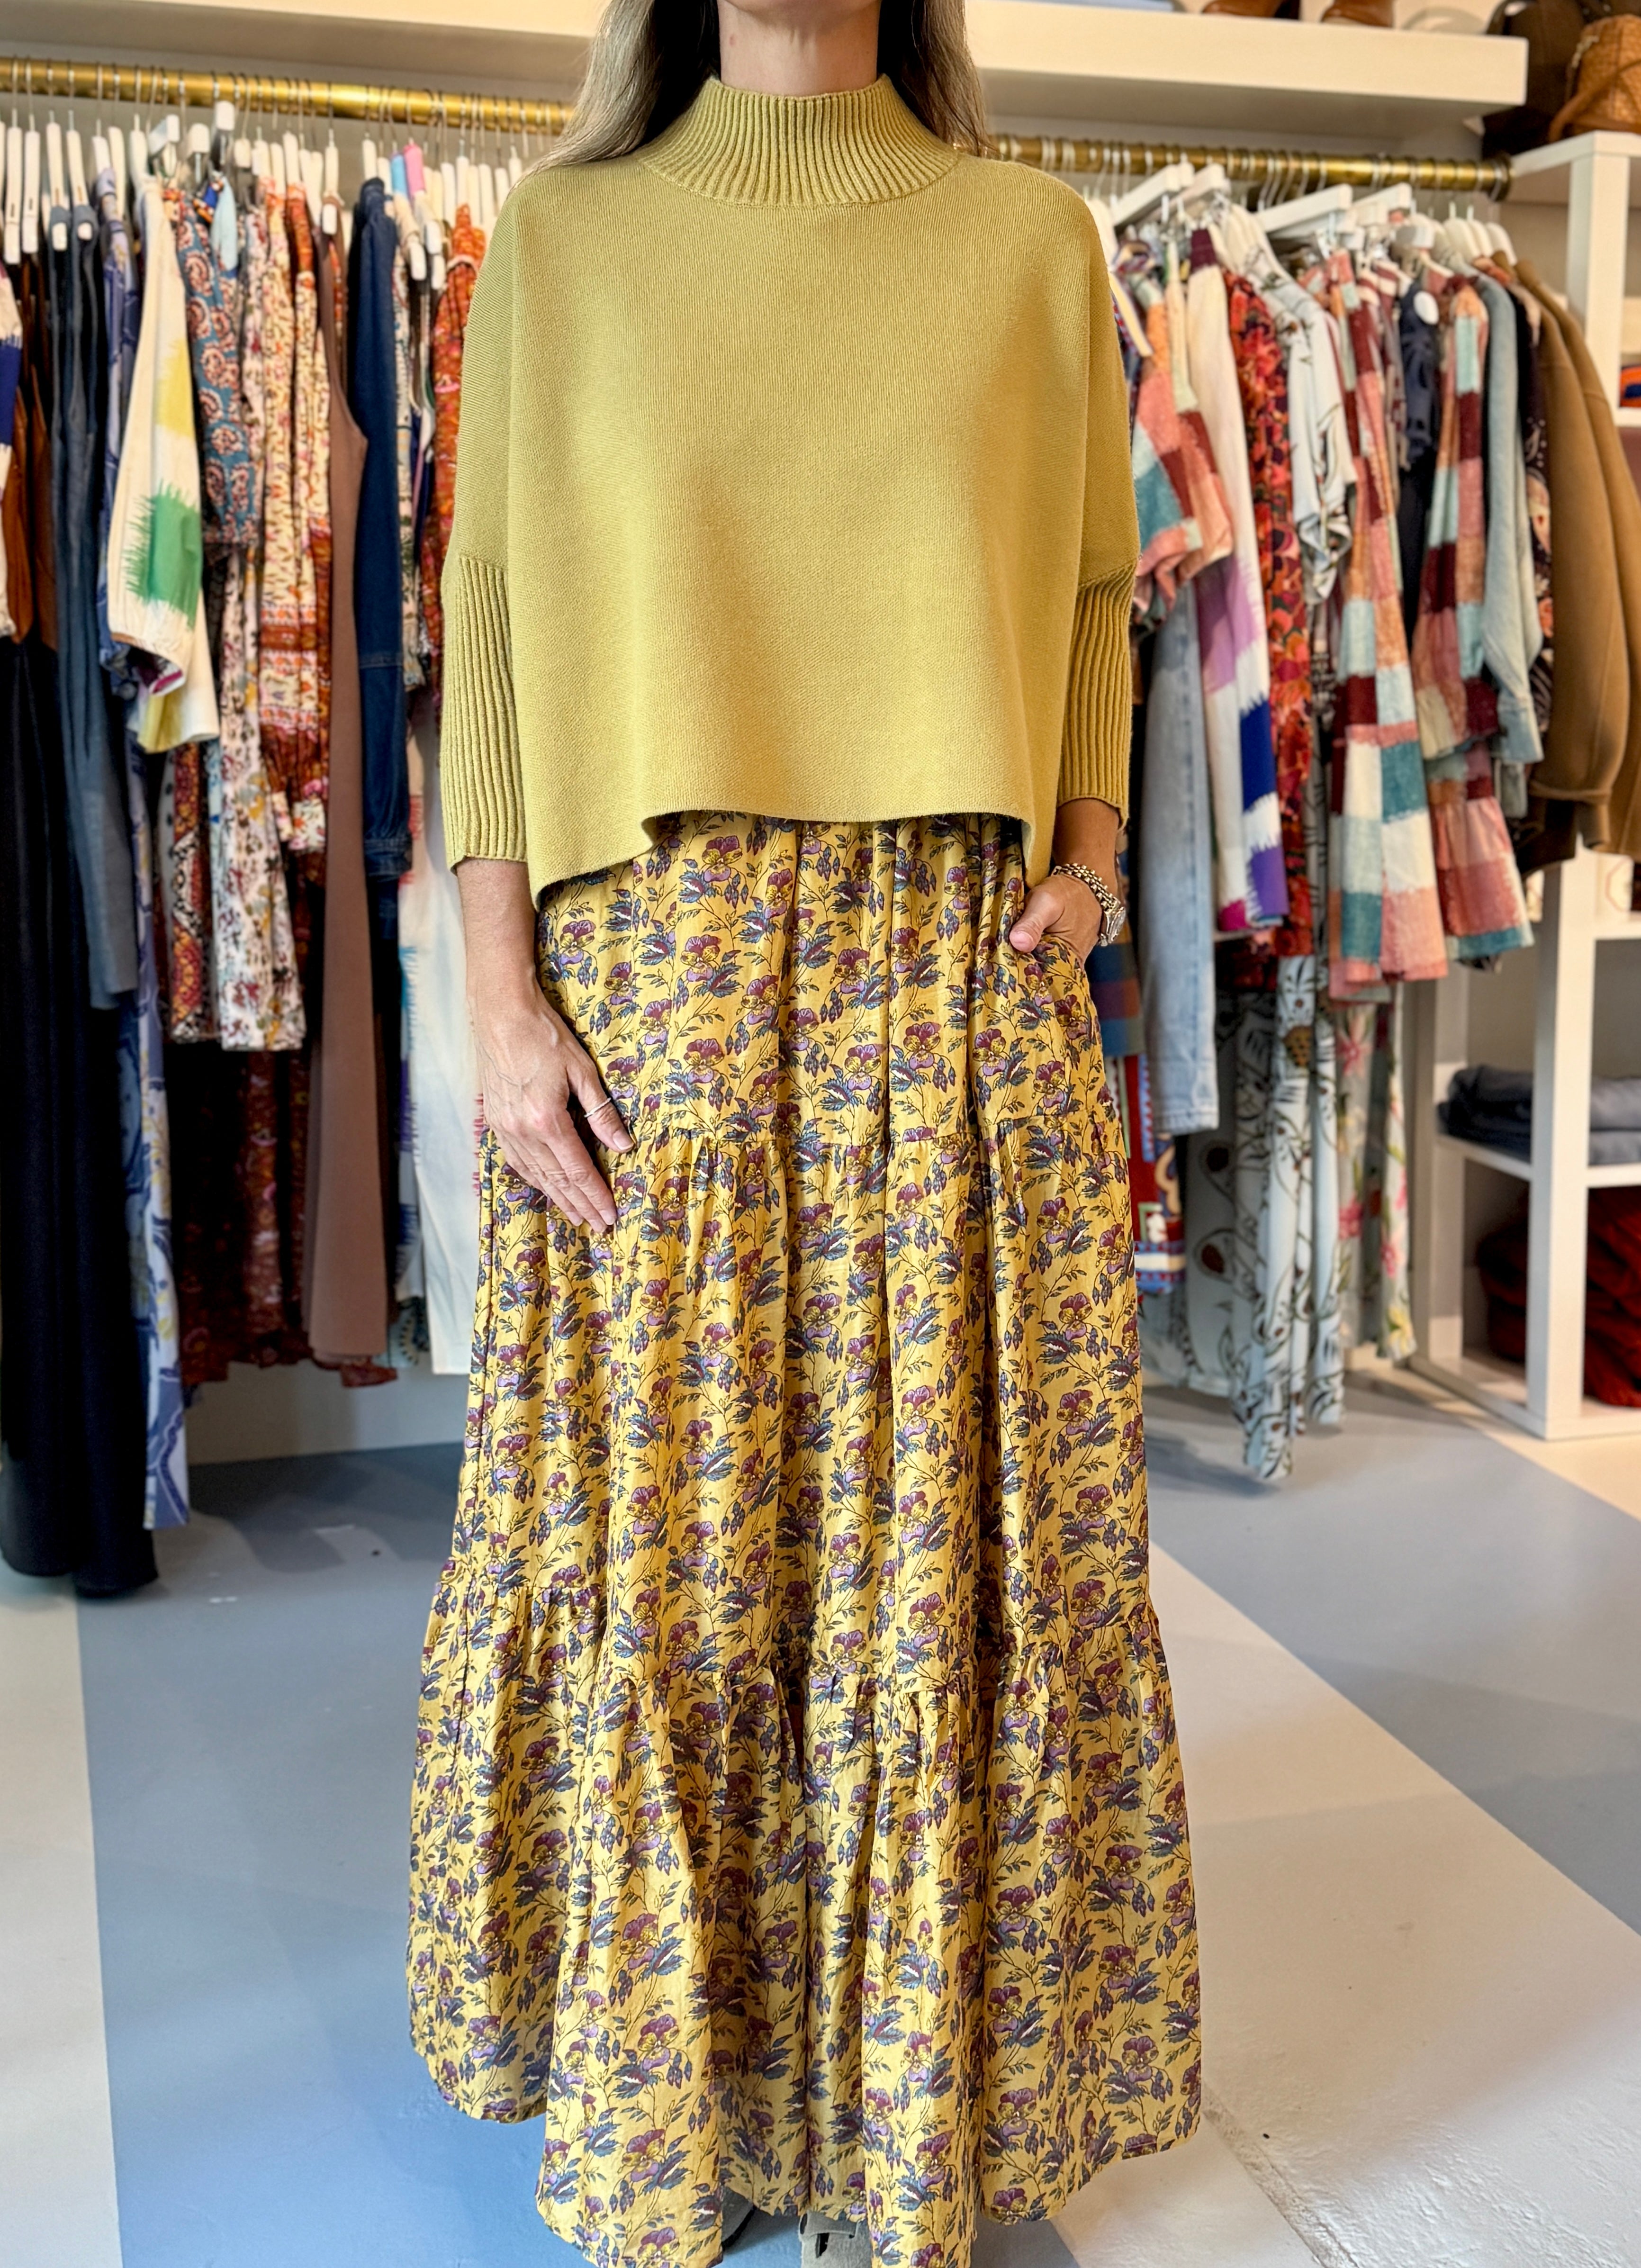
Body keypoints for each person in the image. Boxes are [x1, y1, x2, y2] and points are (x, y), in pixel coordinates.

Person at [406, 0, 1201, 2262]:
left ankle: (908, 2109)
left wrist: (1081, 849)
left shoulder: (1025, 243)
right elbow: (490, 624)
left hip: (950, 972)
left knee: (943, 1561)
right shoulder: (566, 246)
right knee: (675, 1561)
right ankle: (684, 2105)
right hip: (655, 980)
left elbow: (1090, 596)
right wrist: (497, 1001)